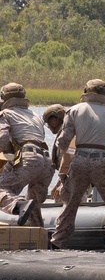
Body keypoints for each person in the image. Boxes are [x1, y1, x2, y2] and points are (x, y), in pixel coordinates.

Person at [50, 79, 105, 253]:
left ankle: (57, 242)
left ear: (86, 92)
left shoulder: (74, 110)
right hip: (102, 161)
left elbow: (63, 142)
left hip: (78, 161)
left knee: (70, 204)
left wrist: (64, 166)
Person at [0, 83, 51, 226]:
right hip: (46, 161)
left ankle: (18, 205)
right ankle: (38, 238)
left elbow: (2, 139)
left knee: (3, 190)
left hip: (29, 158)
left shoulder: (6, 114)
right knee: (33, 203)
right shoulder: (35, 115)